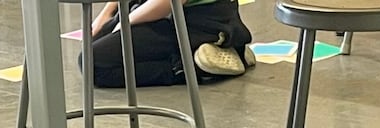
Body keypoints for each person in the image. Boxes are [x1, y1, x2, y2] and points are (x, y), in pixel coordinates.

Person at [84, 0, 254, 87]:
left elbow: (168, 3)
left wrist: (126, 22)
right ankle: (226, 46)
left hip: (197, 19)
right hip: (163, 10)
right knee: (95, 47)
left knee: (94, 65)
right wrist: (107, 14)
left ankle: (189, 68)